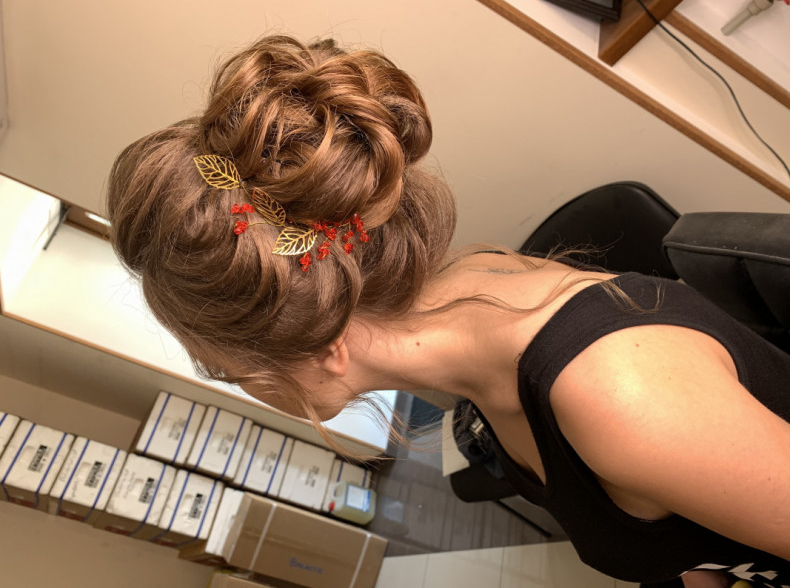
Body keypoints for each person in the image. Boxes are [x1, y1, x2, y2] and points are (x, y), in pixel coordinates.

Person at [106, 35, 790, 588]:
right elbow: (697, 517)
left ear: (325, 346)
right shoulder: (474, 287)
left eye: (231, 373)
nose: (245, 387)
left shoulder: (617, 400)